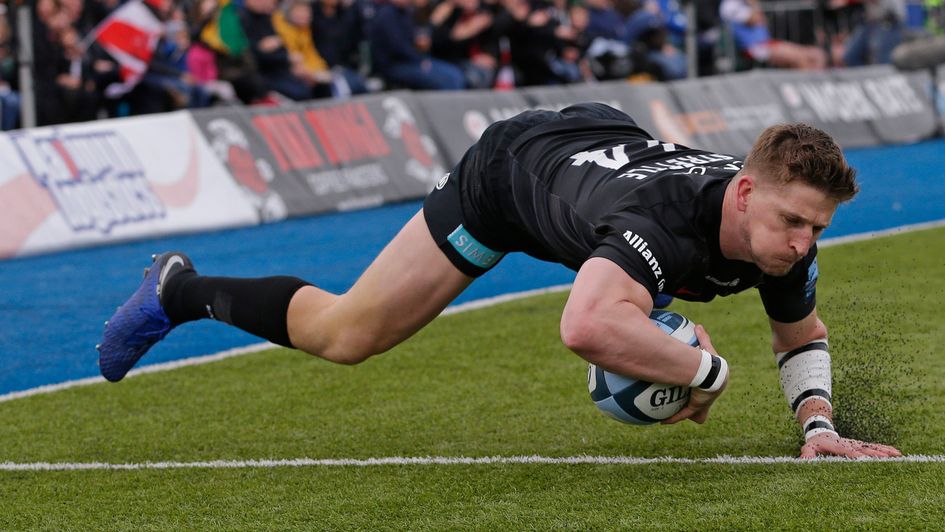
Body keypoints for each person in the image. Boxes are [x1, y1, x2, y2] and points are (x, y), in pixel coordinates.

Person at [98, 102, 901, 460]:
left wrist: (818, 429)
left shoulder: (777, 237)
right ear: (746, 191)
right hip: (506, 178)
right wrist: (706, 371)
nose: (800, 244)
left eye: (815, 229)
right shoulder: (658, 224)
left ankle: (651, 307)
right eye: (792, 223)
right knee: (348, 336)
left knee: (642, 296)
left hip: (593, 159)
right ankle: (181, 291)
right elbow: (582, 328)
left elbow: (802, 334)